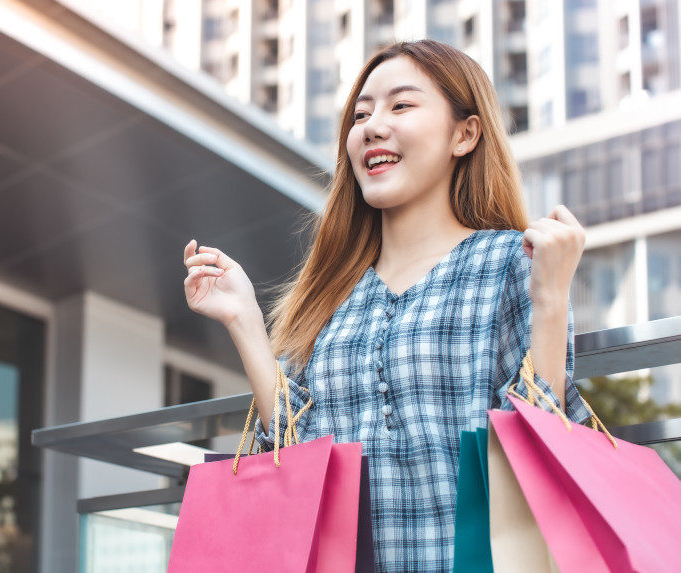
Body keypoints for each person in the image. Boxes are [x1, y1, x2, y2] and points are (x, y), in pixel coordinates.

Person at [182, 39, 591, 572]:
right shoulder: (330, 292)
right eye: (361, 114)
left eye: (401, 105)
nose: (373, 126)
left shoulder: (511, 261)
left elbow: (541, 445)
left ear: (464, 134)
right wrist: (245, 321)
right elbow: (294, 459)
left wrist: (553, 296)